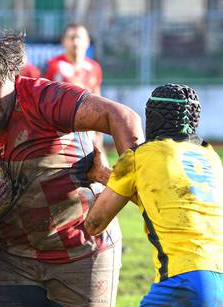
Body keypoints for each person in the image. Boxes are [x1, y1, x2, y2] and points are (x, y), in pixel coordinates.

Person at [0, 32, 144, 306]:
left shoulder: (44, 99)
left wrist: (124, 183)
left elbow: (121, 117)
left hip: (81, 252)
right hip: (11, 257)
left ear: (13, 75)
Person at [85, 83, 223, 306]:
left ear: (153, 117)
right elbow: (160, 200)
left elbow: (94, 223)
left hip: (183, 280)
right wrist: (103, 175)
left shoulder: (141, 156)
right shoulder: (211, 157)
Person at [44, 23, 106, 155]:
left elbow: (99, 101)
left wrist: (99, 138)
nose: (75, 42)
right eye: (71, 37)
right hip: (63, 134)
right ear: (63, 41)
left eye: (79, 37)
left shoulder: (94, 67)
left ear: (88, 42)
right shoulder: (54, 67)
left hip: (88, 132)